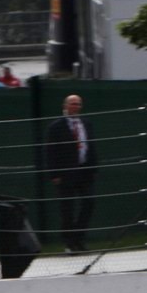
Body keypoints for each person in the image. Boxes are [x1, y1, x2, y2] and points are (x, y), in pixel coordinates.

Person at [45, 93, 99, 252]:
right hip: (65, 173)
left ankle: (79, 237)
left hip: (84, 171)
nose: (76, 107)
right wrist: (54, 174)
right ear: (65, 106)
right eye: (73, 104)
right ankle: (69, 242)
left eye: (78, 104)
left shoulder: (86, 124)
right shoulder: (55, 127)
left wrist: (94, 167)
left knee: (89, 202)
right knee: (67, 208)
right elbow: (50, 152)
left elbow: (92, 146)